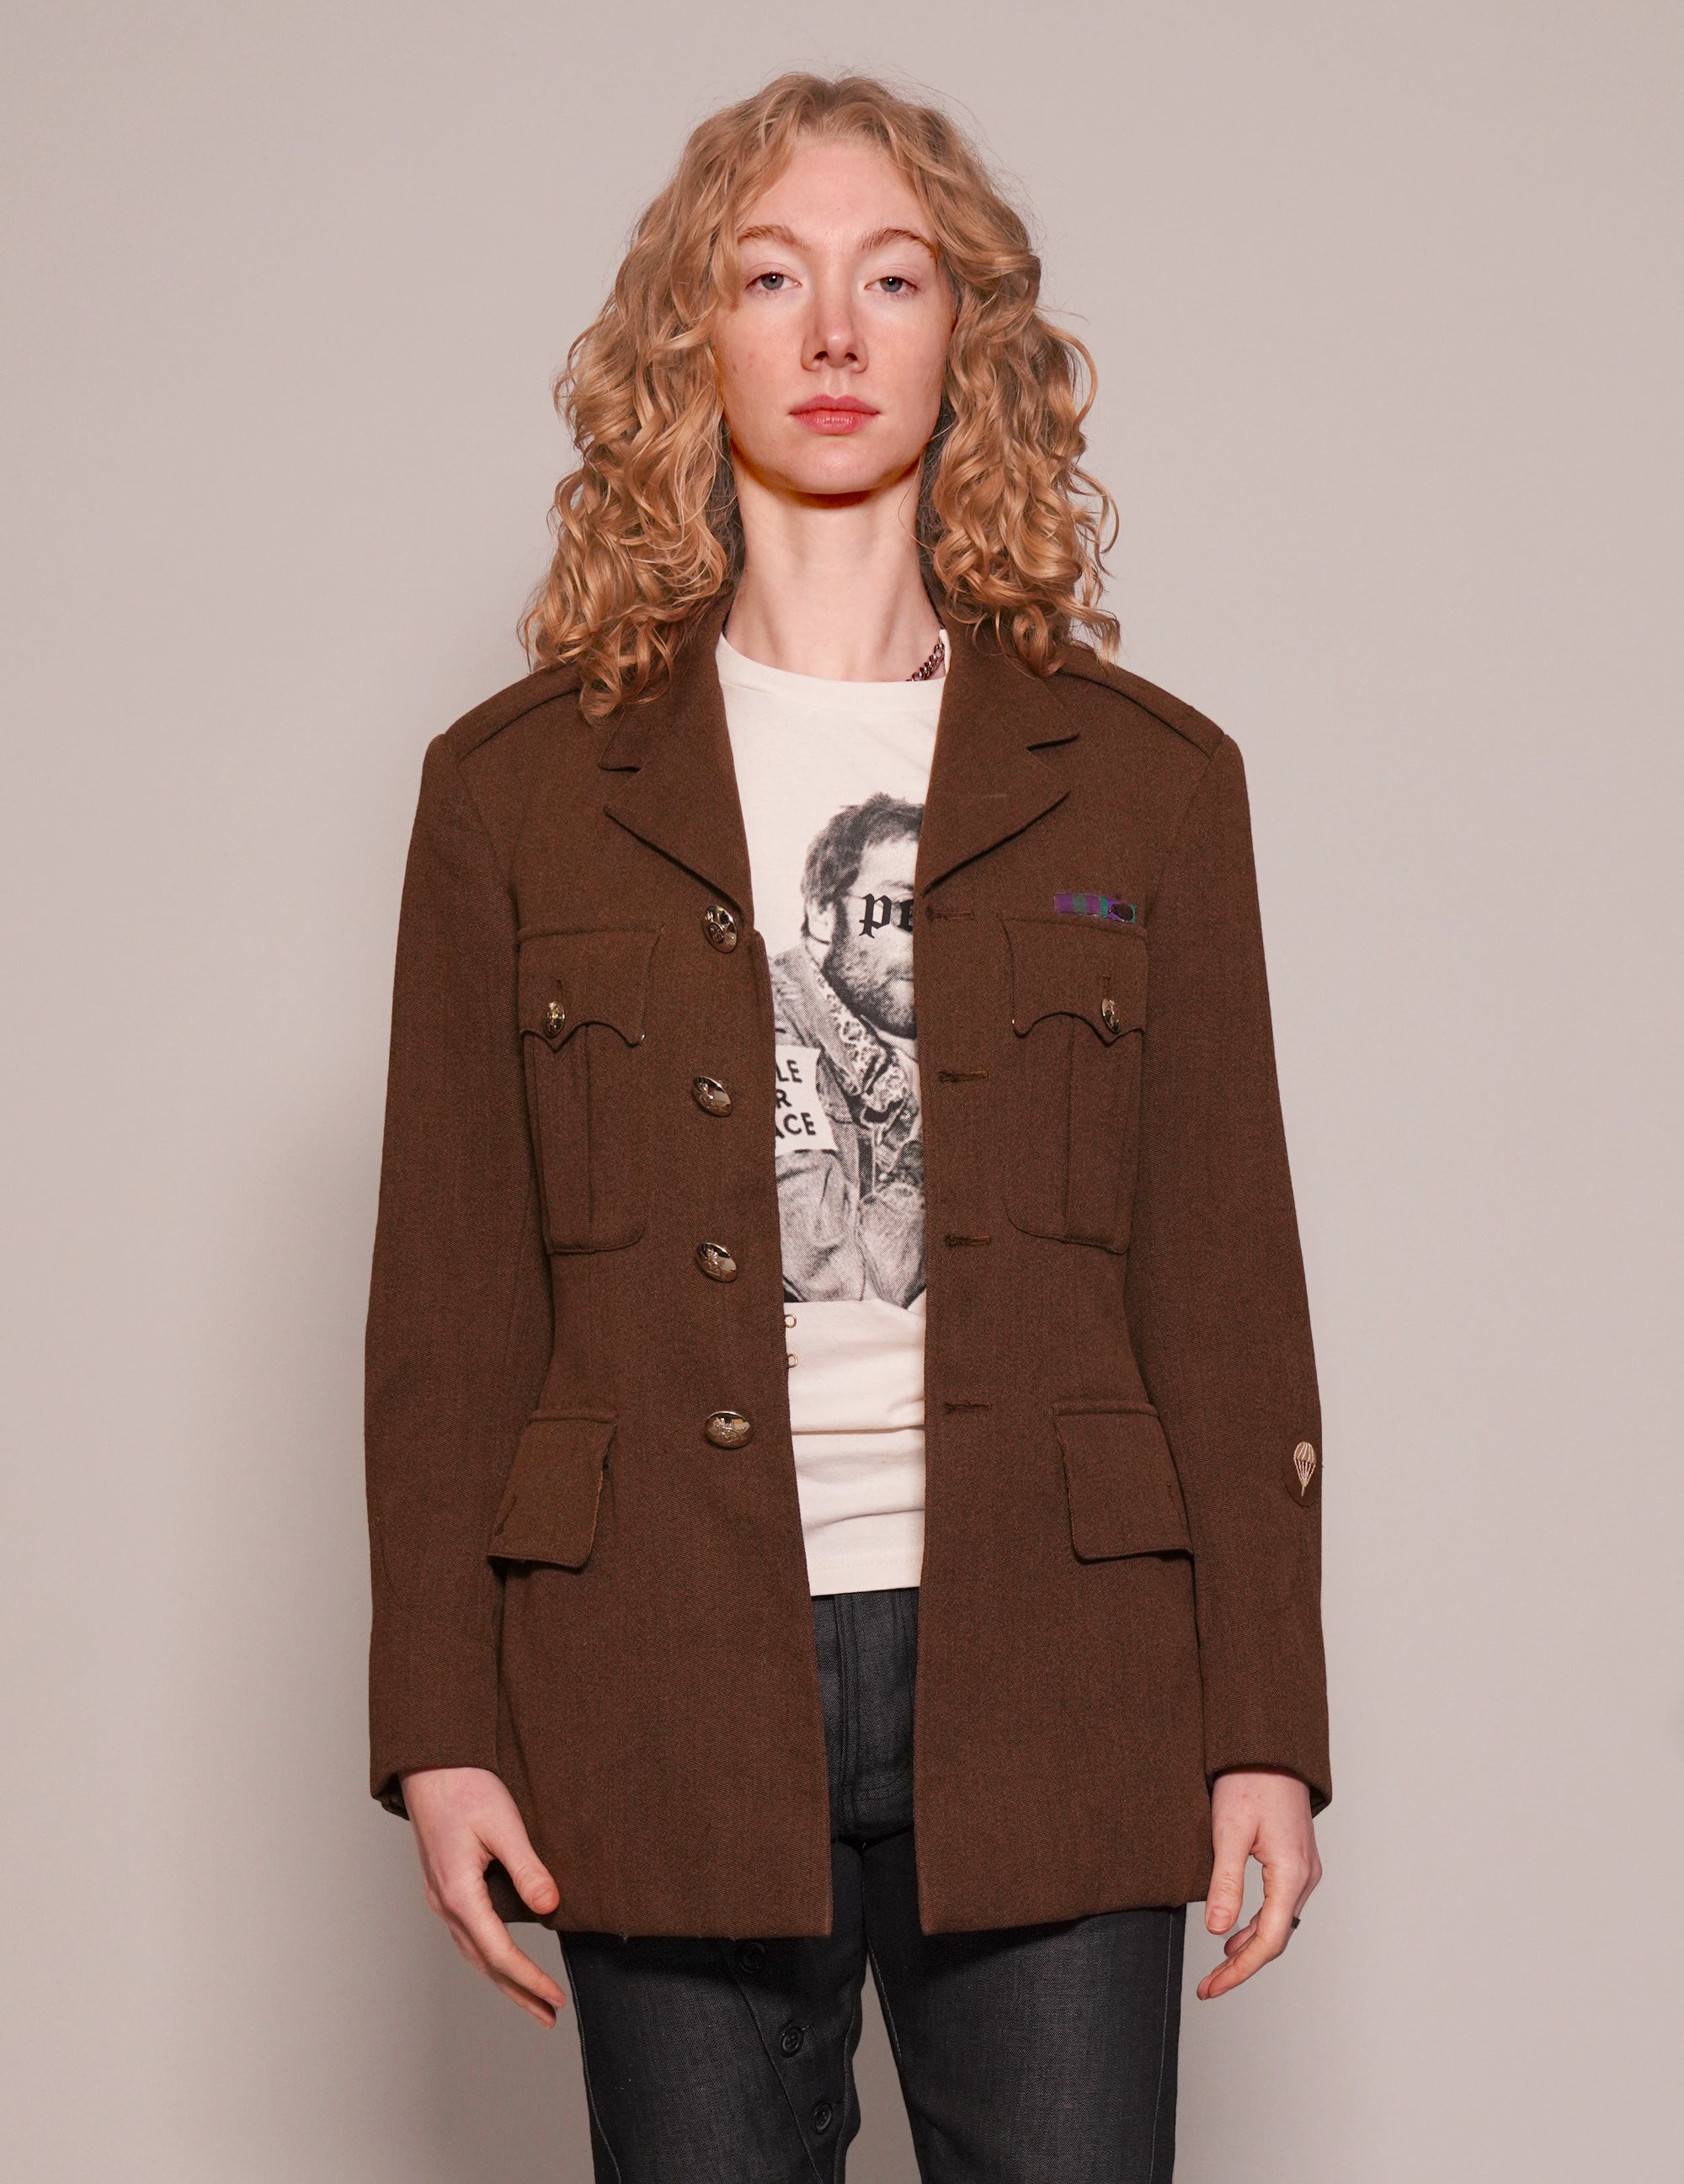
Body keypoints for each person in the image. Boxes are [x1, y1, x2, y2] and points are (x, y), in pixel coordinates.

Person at [365, 69, 1330, 2184]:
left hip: (1060, 1660)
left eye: (890, 280)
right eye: (767, 279)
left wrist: (1264, 1719)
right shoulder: (517, 794)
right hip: (655, 1664)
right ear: (686, 339)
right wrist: (439, 1721)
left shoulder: (1150, 785)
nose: (828, 332)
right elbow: (446, 1309)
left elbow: (1224, 1285)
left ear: (965, 336)